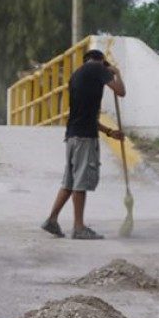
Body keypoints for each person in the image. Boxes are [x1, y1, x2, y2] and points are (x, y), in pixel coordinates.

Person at [41, 49, 126, 240]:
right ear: (100, 61)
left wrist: (110, 133)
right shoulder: (98, 69)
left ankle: (52, 220)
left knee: (69, 181)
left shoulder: (76, 76)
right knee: (80, 182)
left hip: (73, 135)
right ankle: (79, 228)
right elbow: (121, 92)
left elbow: (88, 116)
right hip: (84, 138)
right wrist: (116, 73)